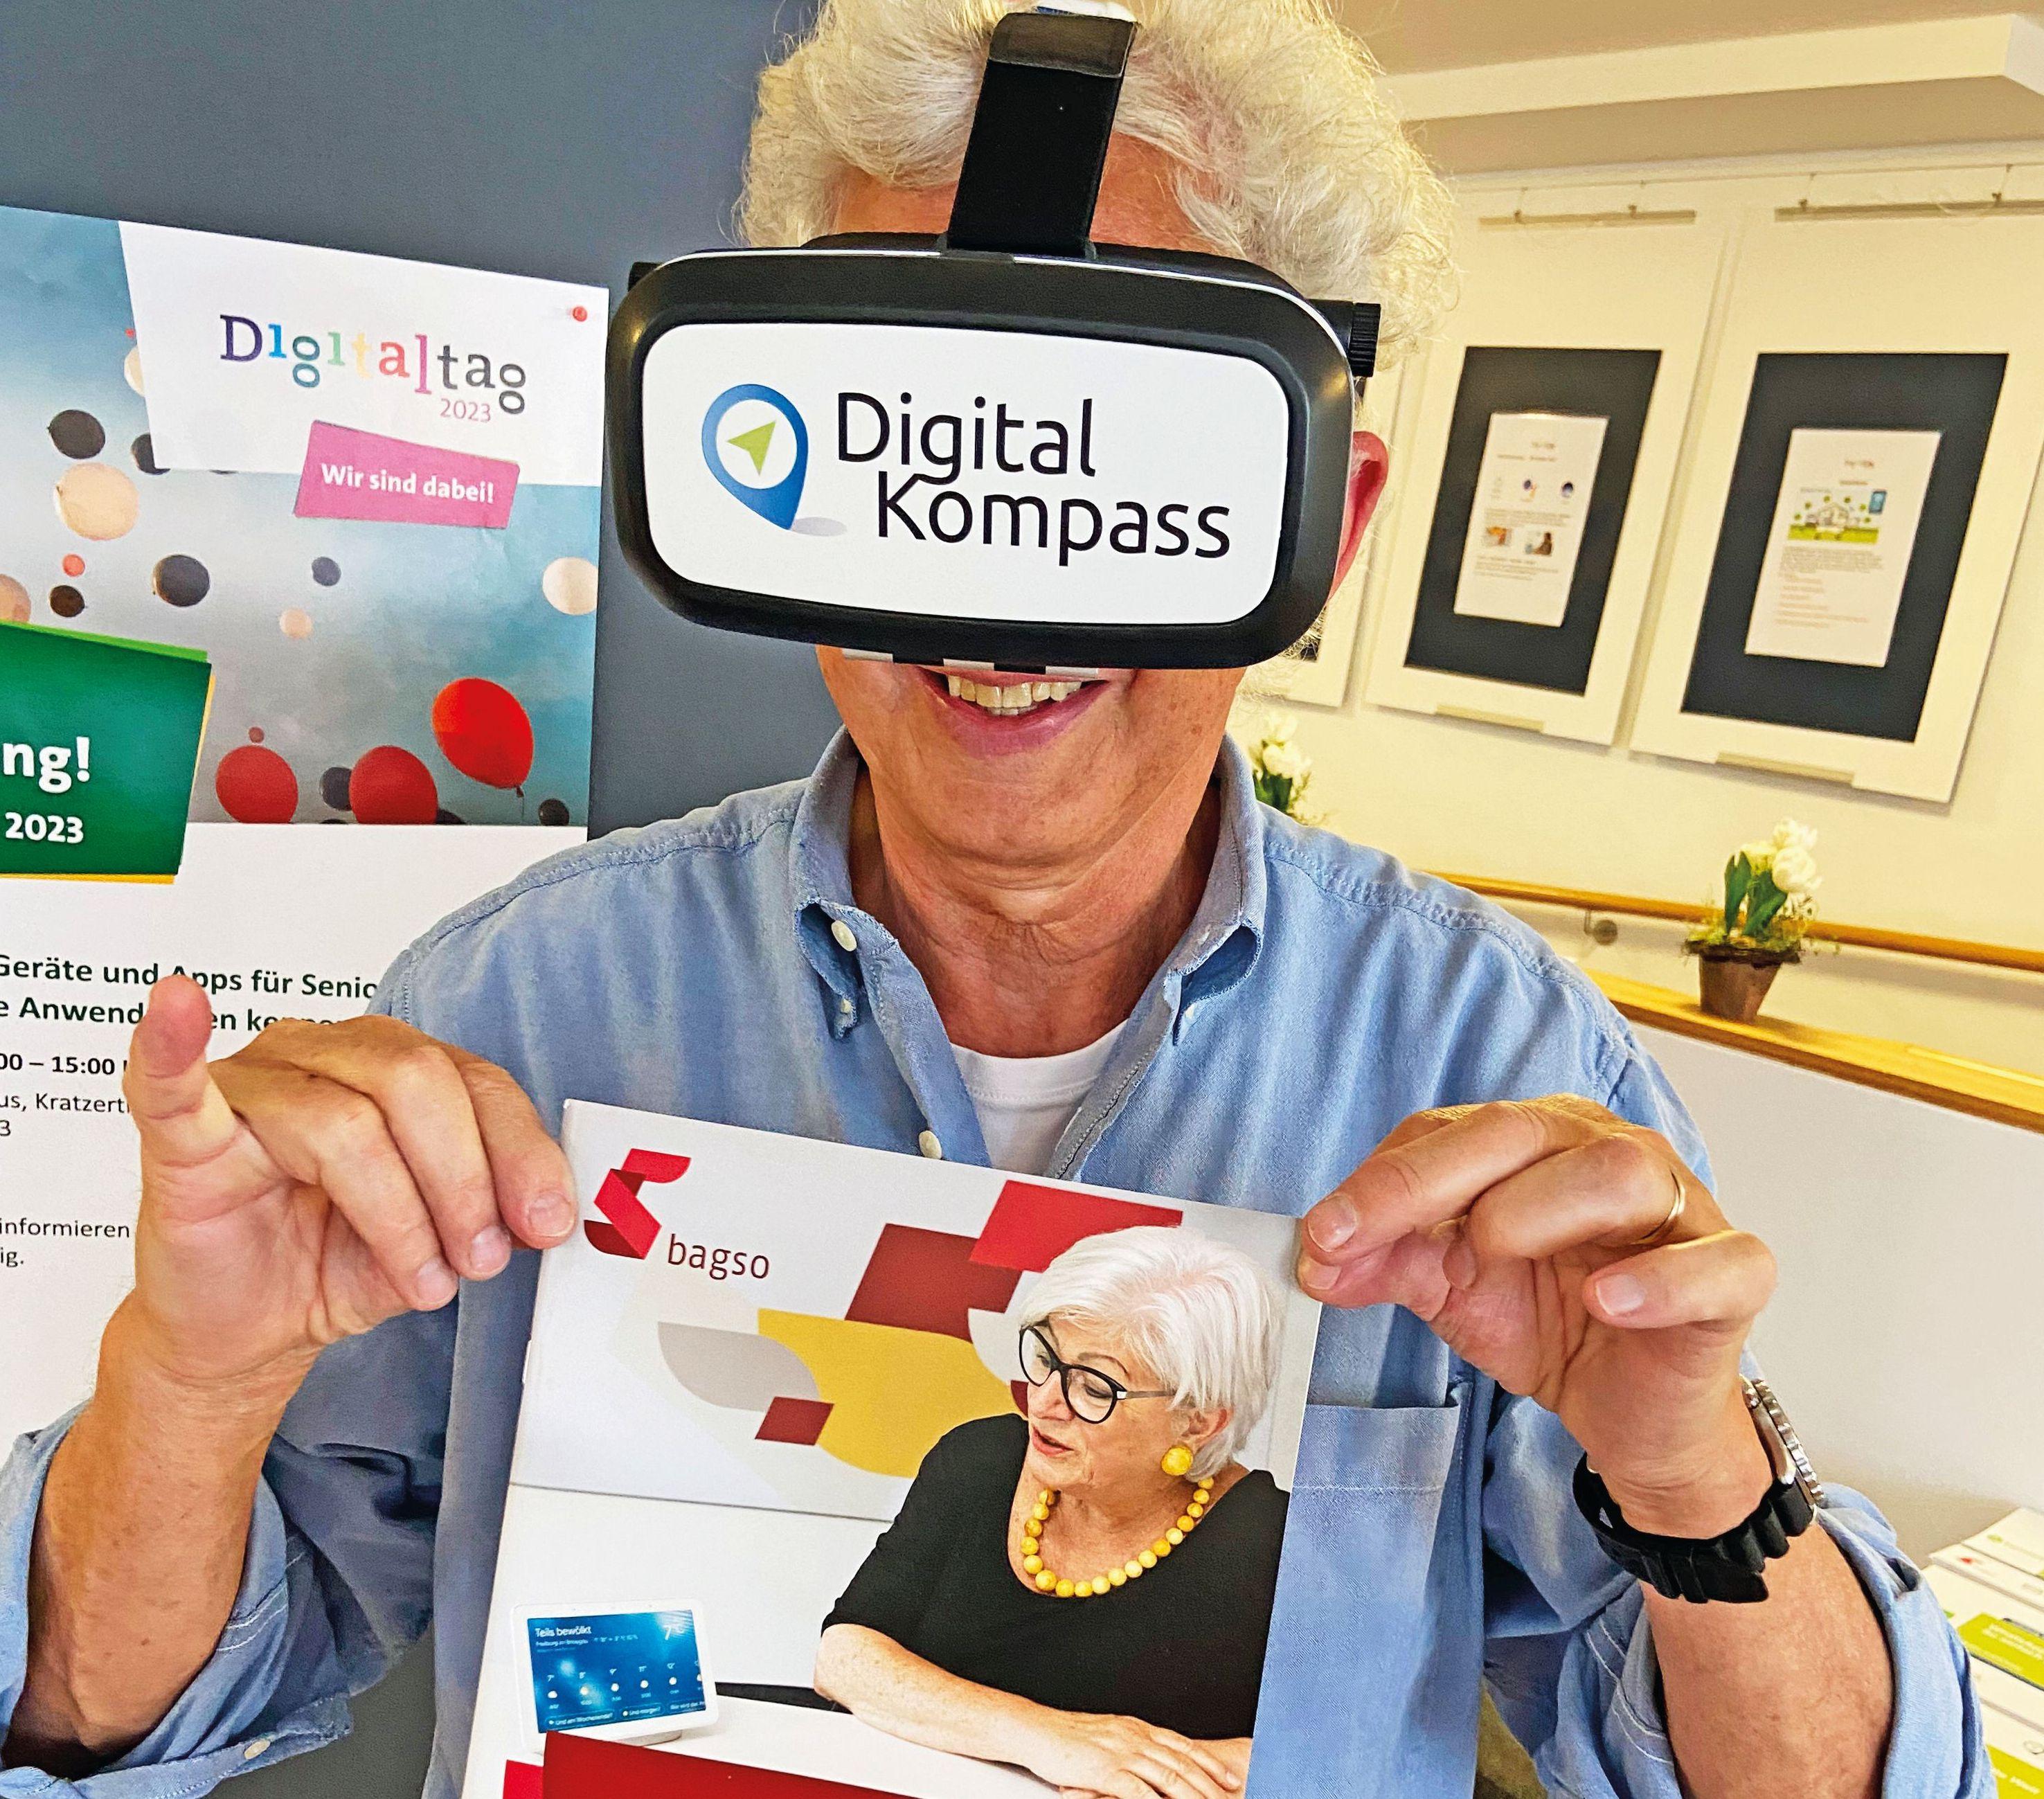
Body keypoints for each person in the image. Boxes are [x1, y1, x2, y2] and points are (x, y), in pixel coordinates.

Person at [0, 2, 1982, 1796]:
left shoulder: (1491, 1065)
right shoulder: (524, 1007)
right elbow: (98, 1722)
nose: (995, 599)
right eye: (915, 447)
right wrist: (188, 1382)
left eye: (1109, 464)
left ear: (1318, 520)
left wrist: (1694, 1476)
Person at [816, 1229, 1288, 1796]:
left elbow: (1334, 1753)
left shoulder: (1279, 1546)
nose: (1042, 1402)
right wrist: (1047, 1739)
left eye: (1095, 1388)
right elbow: (844, 1657)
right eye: (1046, 1358)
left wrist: (1144, 1778)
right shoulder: (981, 1459)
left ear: (1198, 1421)